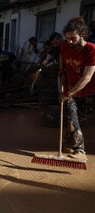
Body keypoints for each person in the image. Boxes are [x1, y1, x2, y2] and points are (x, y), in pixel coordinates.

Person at [58, 16, 95, 160]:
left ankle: (69, 138)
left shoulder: (91, 50)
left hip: (88, 91)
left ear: (82, 34)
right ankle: (79, 150)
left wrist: (68, 93)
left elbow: (87, 77)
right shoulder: (66, 46)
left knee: (79, 118)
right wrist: (61, 70)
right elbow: (62, 54)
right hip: (71, 88)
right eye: (67, 38)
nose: (69, 42)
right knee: (73, 118)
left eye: (73, 38)